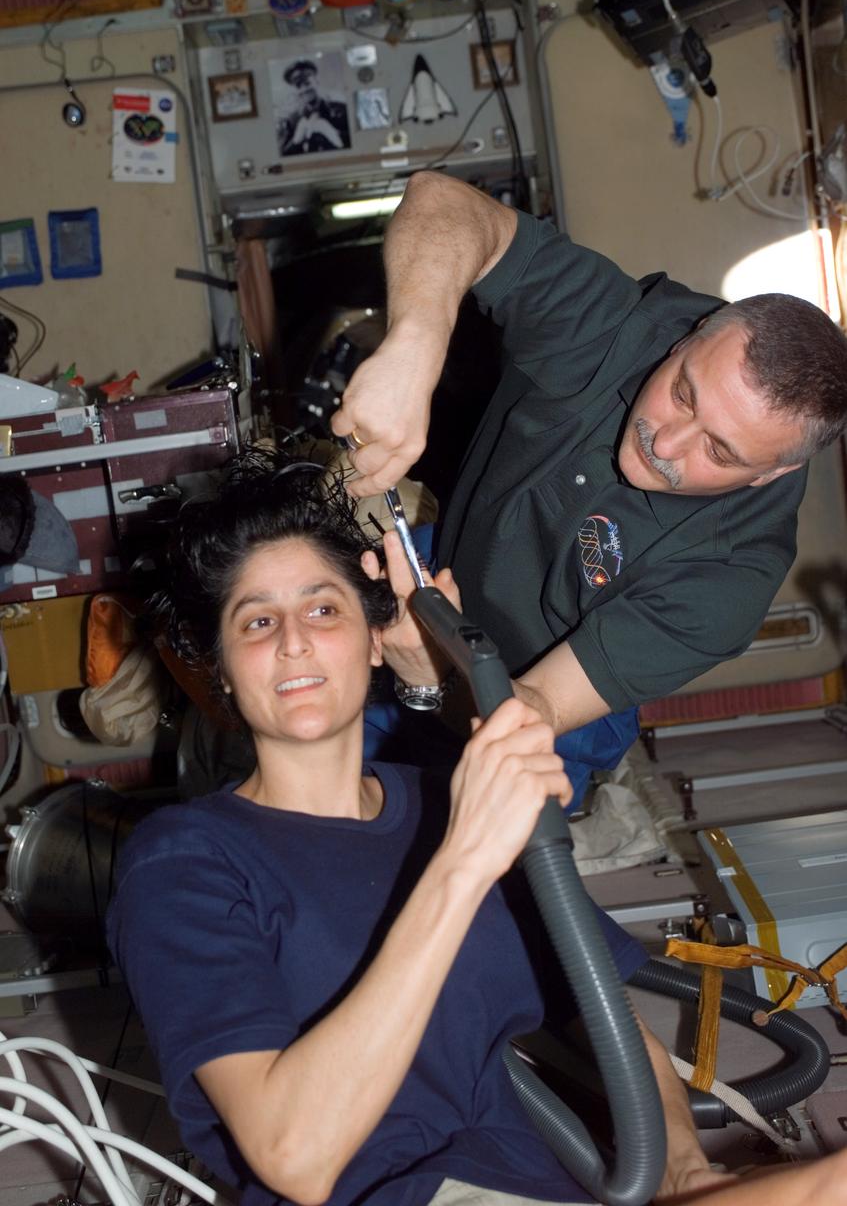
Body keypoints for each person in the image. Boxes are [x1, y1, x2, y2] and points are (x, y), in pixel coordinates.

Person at [106, 448, 778, 1206]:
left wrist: (685, 1171)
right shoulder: (185, 861)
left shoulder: (440, 799)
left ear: (373, 639)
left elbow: (606, 1016)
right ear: (224, 669)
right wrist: (461, 862)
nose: (293, 639)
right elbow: (294, 1157)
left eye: (323, 608)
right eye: (257, 620)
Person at [331, 171, 847, 806]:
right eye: (683, 393)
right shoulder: (616, 326)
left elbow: (534, 710)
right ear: (689, 335)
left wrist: (427, 677)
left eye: (719, 450)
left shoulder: (730, 577)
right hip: (449, 567)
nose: (668, 443)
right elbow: (441, 202)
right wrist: (413, 350)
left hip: (544, 708)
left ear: (770, 473)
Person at [277, 59, 351, 157]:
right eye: (298, 86)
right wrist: (296, 140)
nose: (304, 90)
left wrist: (332, 132)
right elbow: (283, 156)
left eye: (308, 83)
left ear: (317, 82)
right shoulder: (292, 120)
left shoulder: (340, 109)